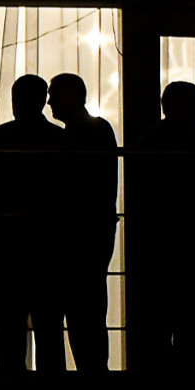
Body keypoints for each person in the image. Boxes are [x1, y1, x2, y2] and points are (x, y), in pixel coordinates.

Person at [0, 74, 66, 371]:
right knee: (49, 330)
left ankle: (11, 386)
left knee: (8, 335)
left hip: (5, 251)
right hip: (48, 248)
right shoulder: (58, 139)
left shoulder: (0, 137)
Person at [134, 81, 195, 373]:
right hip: (194, 244)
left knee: (159, 323)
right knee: (192, 323)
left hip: (158, 245)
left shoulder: (149, 141)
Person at [47, 71, 120, 372]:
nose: (49, 102)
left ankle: (90, 373)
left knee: (81, 310)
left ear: (71, 97)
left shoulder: (78, 135)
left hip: (80, 235)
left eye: (54, 95)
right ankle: (93, 372)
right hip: (94, 232)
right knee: (88, 310)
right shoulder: (98, 130)